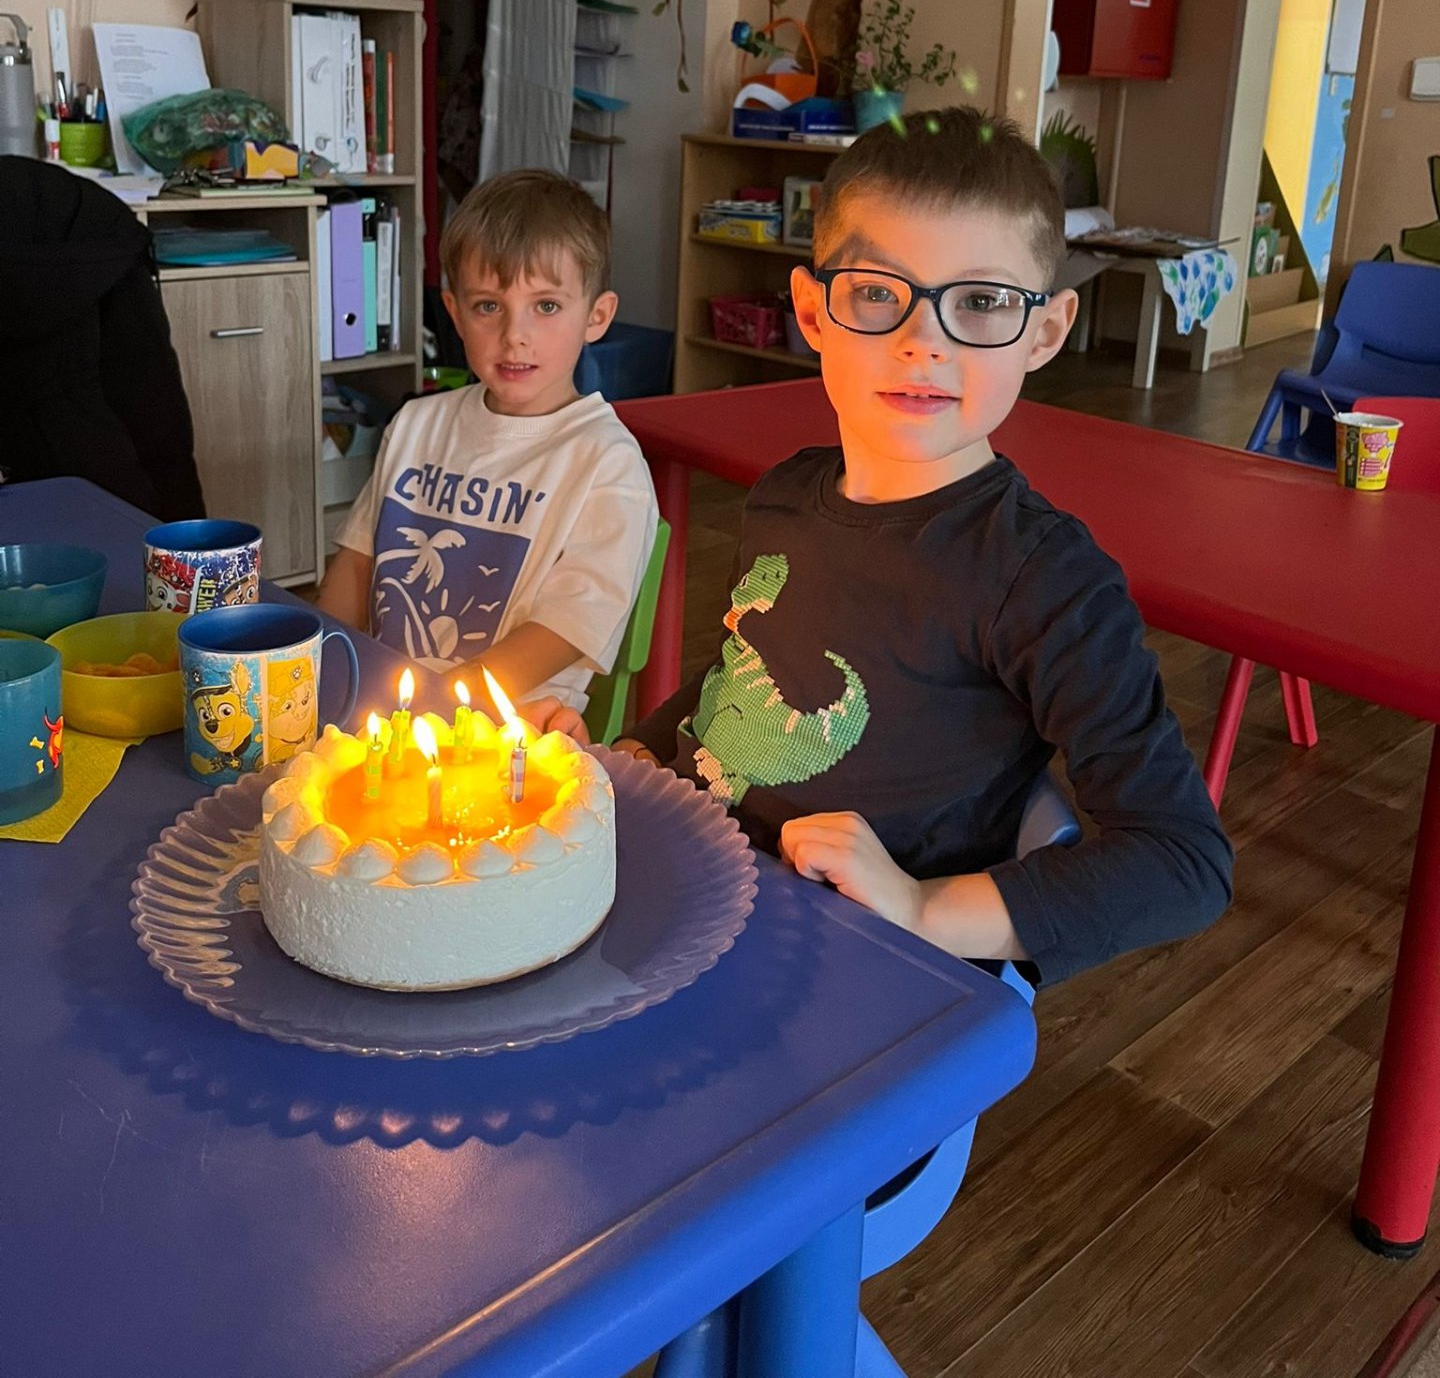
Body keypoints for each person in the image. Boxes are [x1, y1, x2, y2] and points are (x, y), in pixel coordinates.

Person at [615, 107, 1232, 984]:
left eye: (981, 302)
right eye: (877, 292)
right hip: (696, 896)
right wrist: (643, 752)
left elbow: (1184, 863)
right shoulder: (784, 495)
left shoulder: (1046, 580)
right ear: (813, 311)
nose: (923, 343)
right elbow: (740, 673)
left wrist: (919, 907)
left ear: (1046, 332)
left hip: (857, 973)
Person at [317, 168, 658, 719]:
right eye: (488, 306)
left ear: (596, 317)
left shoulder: (606, 463)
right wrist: (323, 671)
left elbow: (565, 630)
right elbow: (357, 565)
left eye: (546, 306)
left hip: (509, 735)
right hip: (380, 714)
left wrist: (437, 706)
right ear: (455, 313)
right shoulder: (415, 424)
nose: (514, 335)